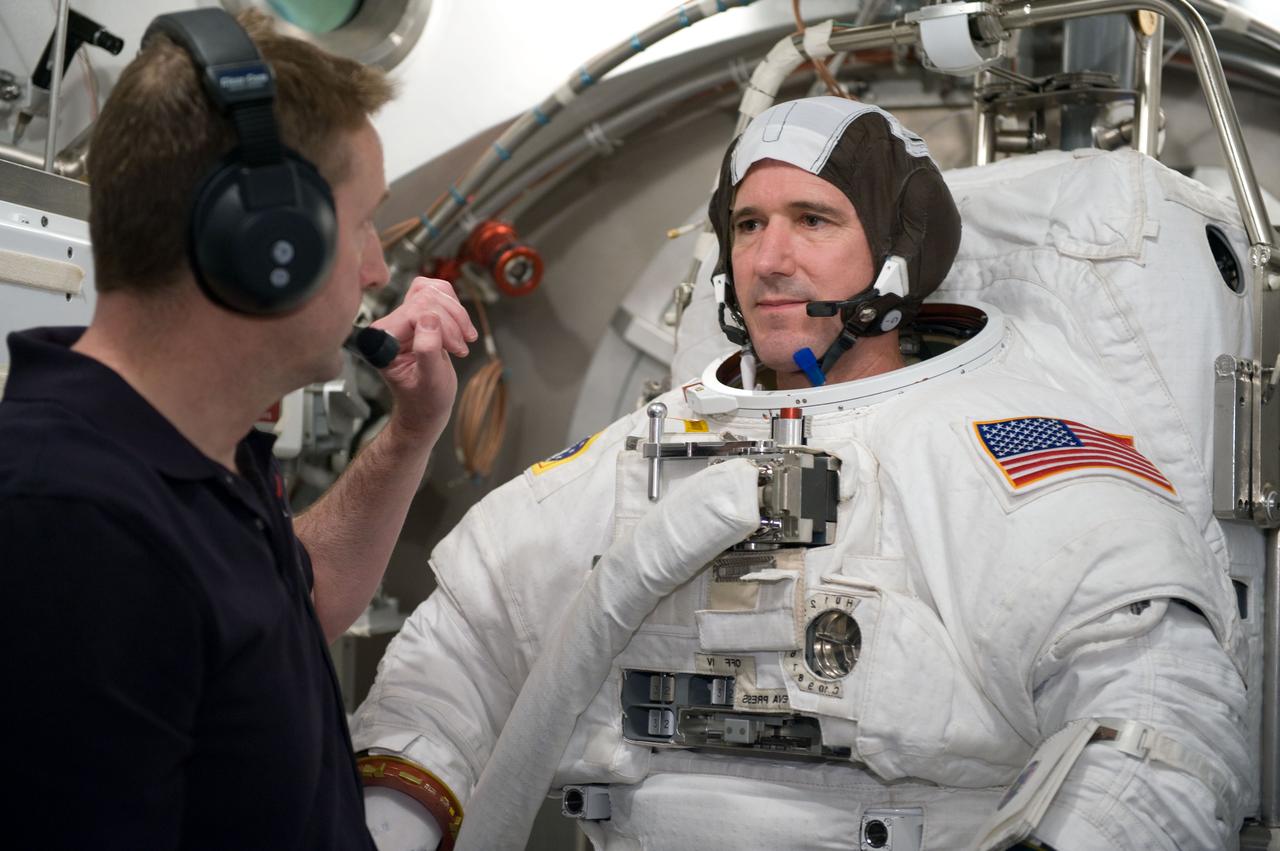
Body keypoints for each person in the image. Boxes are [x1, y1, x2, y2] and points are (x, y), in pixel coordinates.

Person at [351, 97, 1252, 850]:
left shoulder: (998, 449)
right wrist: (392, 822)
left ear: (899, 251)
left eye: (813, 220)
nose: (769, 259)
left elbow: (1157, 722)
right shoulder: (640, 455)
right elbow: (455, 660)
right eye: (748, 225)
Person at [0, 9, 475, 849]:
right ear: (265, 241)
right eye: (363, 221)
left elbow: (299, 604)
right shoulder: (72, 521)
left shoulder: (196, 459)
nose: (377, 268)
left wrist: (413, 429)